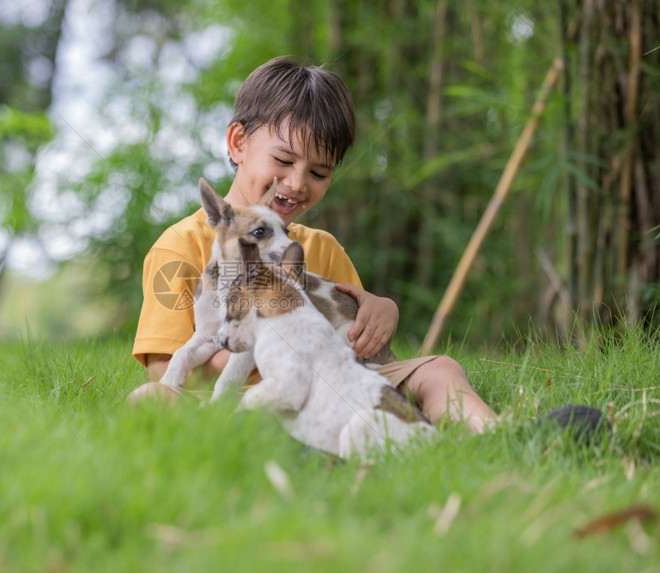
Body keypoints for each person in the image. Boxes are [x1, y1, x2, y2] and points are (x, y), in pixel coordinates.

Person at [129, 56, 498, 432]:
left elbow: (352, 334)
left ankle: (501, 435)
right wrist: (265, 346)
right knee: (150, 398)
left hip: (335, 384)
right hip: (235, 400)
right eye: (283, 160)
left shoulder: (320, 247)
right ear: (238, 143)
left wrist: (383, 310)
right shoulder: (179, 247)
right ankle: (276, 440)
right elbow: (164, 372)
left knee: (440, 369)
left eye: (318, 172)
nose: (296, 183)